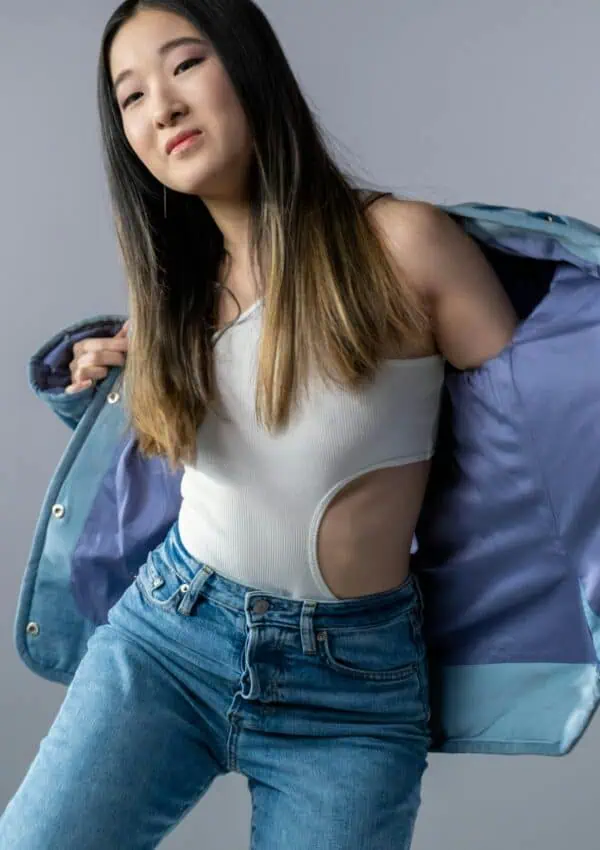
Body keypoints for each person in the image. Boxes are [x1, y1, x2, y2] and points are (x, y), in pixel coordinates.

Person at [0, 1, 518, 847]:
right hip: (169, 637)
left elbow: (549, 436)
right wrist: (115, 387)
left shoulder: (402, 247)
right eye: (129, 95)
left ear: (248, 66)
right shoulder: (172, 297)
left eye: (185, 64)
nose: (160, 104)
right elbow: (202, 465)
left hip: (351, 689)